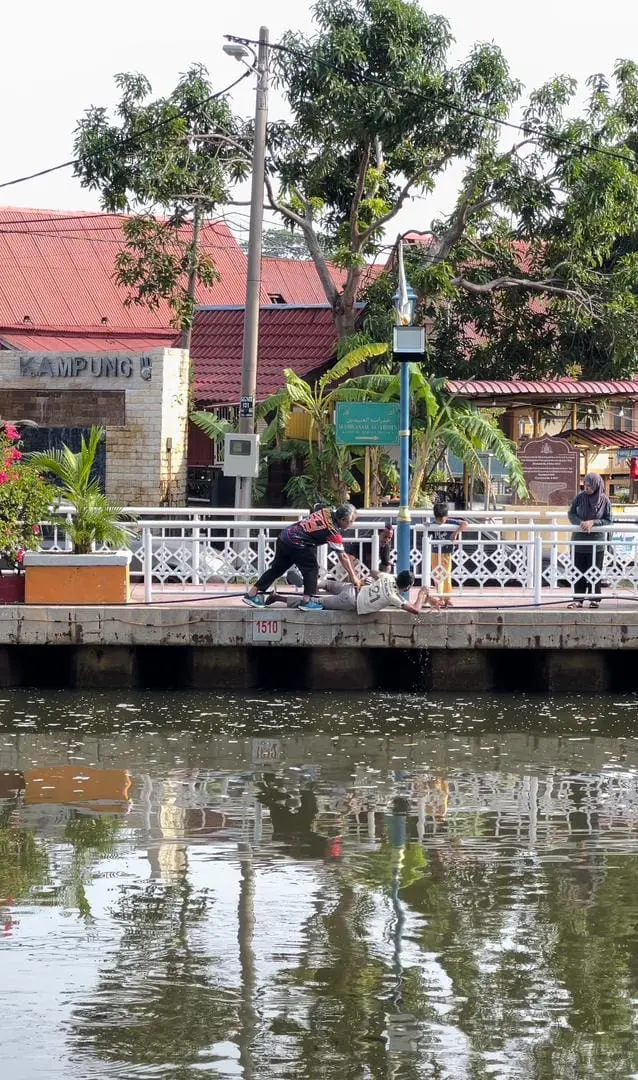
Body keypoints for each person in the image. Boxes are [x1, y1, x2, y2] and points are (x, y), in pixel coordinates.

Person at [243, 503, 359, 611]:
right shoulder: (332, 531)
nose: (351, 524)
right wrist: (353, 577)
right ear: (342, 520)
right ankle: (306, 602)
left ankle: (251, 594)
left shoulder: (326, 511)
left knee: (276, 569)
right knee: (311, 569)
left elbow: (317, 507)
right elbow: (343, 556)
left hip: (285, 536)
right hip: (296, 543)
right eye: (351, 521)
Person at [265, 569, 441, 614]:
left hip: (354, 587)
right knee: (316, 603)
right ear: (407, 587)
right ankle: (277, 597)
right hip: (351, 602)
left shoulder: (388, 577)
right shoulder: (394, 597)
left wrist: (367, 579)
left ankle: (306, 582)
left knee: (326, 584)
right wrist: (422, 594)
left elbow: (374, 572)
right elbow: (415, 610)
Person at [567, 472, 612, 609]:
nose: (586, 488)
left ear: (597, 486)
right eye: (585, 485)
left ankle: (594, 599)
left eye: (590, 485)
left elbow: (608, 520)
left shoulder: (604, 500)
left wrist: (593, 522)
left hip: (596, 543)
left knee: (594, 571)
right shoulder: (580, 497)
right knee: (578, 571)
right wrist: (580, 523)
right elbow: (571, 513)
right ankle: (578, 600)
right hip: (579, 541)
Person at [428, 502, 467, 607]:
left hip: (446, 554)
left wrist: (455, 533)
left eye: (442, 518)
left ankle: (447, 598)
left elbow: (465, 524)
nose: (440, 521)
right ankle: (440, 597)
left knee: (446, 576)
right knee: (437, 576)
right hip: (435, 553)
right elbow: (427, 528)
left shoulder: (450, 522)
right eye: (438, 519)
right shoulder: (433, 523)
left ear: (446, 516)